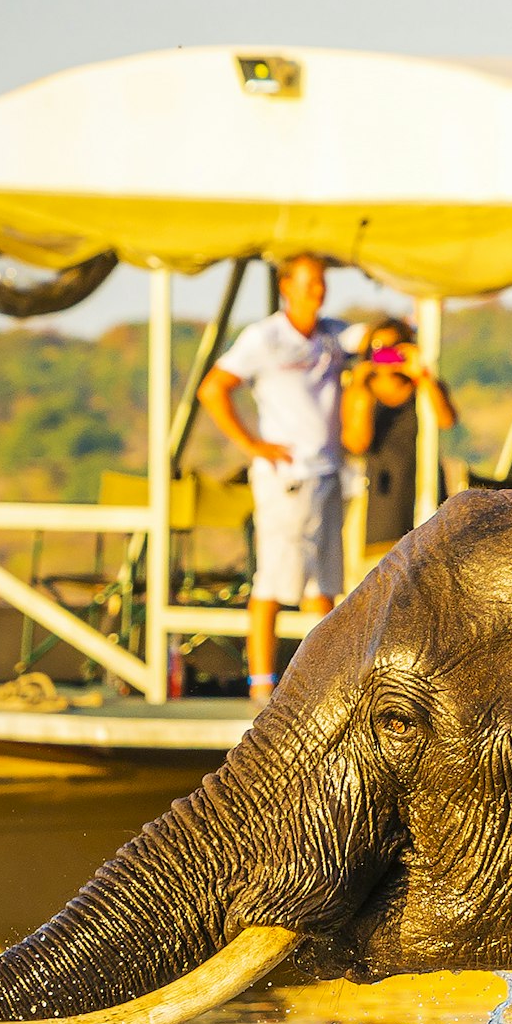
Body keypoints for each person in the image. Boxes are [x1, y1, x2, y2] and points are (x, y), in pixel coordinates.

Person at [198, 253, 345, 702]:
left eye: (321, 283)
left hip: (329, 473)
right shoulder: (265, 338)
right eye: (307, 284)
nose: (316, 292)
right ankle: (262, 685)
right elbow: (213, 388)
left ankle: (324, 682)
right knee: (275, 580)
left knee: (324, 583)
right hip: (287, 477)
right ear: (287, 288)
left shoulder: (334, 336)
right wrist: (253, 445)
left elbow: (384, 342)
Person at [342, 315, 456, 555]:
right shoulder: (360, 390)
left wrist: (421, 375)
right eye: (378, 349)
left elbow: (446, 420)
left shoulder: (423, 385)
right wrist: (363, 394)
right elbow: (356, 444)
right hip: (383, 491)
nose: (386, 355)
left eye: (394, 348)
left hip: (424, 482)